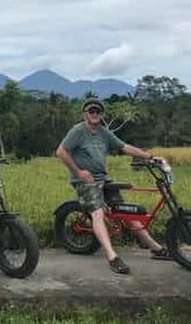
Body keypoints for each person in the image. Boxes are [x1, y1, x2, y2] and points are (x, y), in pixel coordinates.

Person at [55, 98, 171, 275]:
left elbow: (123, 147)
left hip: (103, 178)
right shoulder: (78, 131)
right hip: (86, 181)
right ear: (84, 114)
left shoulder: (103, 132)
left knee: (126, 211)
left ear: (101, 115)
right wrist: (78, 172)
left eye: (97, 112)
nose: (94, 114)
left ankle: (155, 248)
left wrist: (149, 157)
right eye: (91, 111)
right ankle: (112, 257)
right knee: (98, 213)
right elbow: (61, 152)